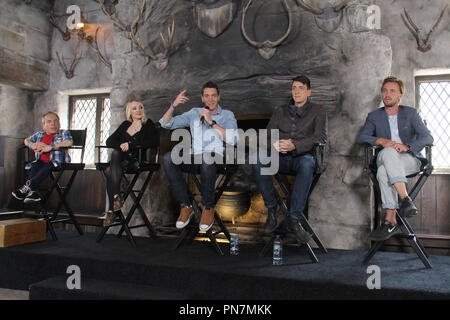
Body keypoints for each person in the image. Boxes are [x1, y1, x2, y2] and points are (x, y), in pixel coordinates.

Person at [356, 76, 433, 241]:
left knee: (383, 172)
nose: (387, 94)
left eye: (392, 91)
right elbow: (362, 137)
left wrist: (407, 146)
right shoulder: (374, 116)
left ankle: (390, 220)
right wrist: (381, 141)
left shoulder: (411, 113)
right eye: (384, 91)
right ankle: (405, 200)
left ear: (400, 96)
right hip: (386, 156)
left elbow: (428, 138)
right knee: (388, 153)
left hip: (409, 160)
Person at [252, 75, 327, 243]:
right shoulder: (280, 111)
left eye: (301, 88)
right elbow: (268, 135)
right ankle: (272, 207)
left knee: (307, 163)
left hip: (302, 159)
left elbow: (320, 137)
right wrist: (276, 143)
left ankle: (294, 218)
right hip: (281, 158)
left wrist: (295, 145)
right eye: (294, 88)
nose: (297, 91)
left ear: (309, 92)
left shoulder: (318, 110)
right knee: (258, 158)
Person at [160, 81, 238, 232]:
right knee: (169, 158)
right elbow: (166, 123)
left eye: (213, 96)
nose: (210, 99)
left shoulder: (227, 115)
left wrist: (211, 122)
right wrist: (173, 106)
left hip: (219, 159)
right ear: (202, 98)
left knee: (207, 157)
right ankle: (186, 205)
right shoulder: (194, 113)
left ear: (219, 97)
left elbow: (233, 138)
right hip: (196, 158)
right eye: (207, 96)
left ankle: (208, 207)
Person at [103, 96, 159, 225]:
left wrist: (130, 145)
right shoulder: (125, 124)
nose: (138, 110)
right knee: (113, 160)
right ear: (130, 111)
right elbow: (109, 141)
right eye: (134, 108)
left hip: (137, 159)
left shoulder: (148, 124)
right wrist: (122, 145)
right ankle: (116, 198)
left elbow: (153, 141)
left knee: (109, 170)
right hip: (122, 160)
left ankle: (113, 208)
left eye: (140, 107)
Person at [12, 112, 73, 203]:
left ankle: (27, 187)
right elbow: (26, 140)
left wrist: (51, 147)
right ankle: (33, 192)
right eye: (49, 121)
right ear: (43, 125)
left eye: (55, 121)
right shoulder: (40, 134)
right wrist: (32, 145)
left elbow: (68, 142)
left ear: (59, 124)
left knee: (47, 166)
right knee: (34, 166)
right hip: (40, 161)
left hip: (57, 161)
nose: (53, 123)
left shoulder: (63, 132)